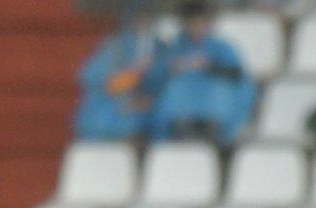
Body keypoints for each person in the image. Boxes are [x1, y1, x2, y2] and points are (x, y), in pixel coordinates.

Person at [146, 0, 256, 144]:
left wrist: (209, 66)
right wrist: (172, 69)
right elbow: (155, 81)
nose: (197, 28)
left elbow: (238, 75)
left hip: (215, 114)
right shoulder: (173, 48)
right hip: (177, 117)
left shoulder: (222, 47)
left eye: (201, 23)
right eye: (192, 23)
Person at [74, 7, 163, 140]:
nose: (144, 23)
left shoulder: (160, 47)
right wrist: (133, 73)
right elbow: (91, 77)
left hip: (146, 110)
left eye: (148, 18)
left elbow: (160, 81)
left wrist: (148, 99)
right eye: (140, 18)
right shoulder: (115, 47)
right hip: (110, 110)